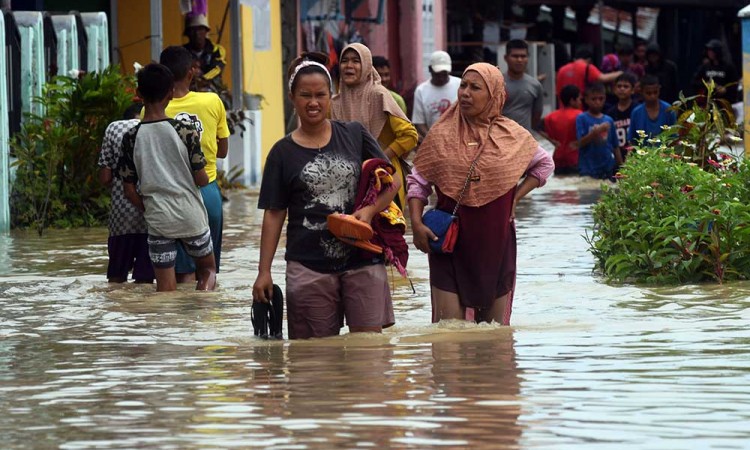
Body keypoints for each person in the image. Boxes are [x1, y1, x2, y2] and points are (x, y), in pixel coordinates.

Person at [252, 53, 399, 339]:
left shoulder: (354, 134)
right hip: (308, 265)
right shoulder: (282, 153)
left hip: (363, 259)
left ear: (331, 97)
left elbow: (389, 183)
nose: (313, 102)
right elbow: (274, 214)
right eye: (305, 95)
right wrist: (263, 271)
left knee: (368, 355)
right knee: (313, 360)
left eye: (321, 94)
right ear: (292, 99)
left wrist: (368, 212)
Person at [407, 63, 554, 325]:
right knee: (448, 336)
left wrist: (515, 198)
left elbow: (545, 165)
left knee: (494, 340)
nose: (465, 93)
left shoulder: (513, 136)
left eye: (475, 88)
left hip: (496, 242)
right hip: (449, 242)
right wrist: (416, 224)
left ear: (495, 94)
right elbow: (418, 182)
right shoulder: (441, 134)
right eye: (463, 85)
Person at [118, 63, 216, 292]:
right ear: (171, 93)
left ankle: (165, 324)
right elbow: (202, 179)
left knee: (165, 291)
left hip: (158, 220)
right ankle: (203, 315)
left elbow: (129, 191)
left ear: (138, 94)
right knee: (207, 270)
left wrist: (151, 207)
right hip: (191, 217)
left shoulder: (131, 137)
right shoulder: (185, 132)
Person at [159, 46, 230, 283]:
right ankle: (204, 318)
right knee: (208, 272)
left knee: (181, 276)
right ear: (191, 73)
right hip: (208, 192)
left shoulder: (152, 111)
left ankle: (180, 321)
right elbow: (222, 151)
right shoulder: (212, 101)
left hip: (172, 197)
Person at [331, 43, 417, 210]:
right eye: (344, 61)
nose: (349, 66)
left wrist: (379, 159)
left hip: (385, 180)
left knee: (386, 232)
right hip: (350, 182)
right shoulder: (334, 103)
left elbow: (409, 135)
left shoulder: (379, 95)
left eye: (356, 61)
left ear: (366, 66)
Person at [97, 103, 155, 284]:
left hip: (121, 221)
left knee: (116, 278)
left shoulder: (113, 128)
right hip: (152, 217)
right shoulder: (159, 128)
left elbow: (105, 177)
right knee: (145, 283)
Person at [411, 50, 462, 138]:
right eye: (438, 74)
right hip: (433, 138)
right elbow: (419, 122)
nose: (441, 78)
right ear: (430, 69)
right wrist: (432, 138)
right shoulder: (421, 91)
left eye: (444, 74)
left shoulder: (460, 85)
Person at [576, 83, 621, 179]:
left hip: (607, 168)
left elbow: (615, 146)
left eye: (601, 99)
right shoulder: (581, 118)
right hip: (587, 169)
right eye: (594, 99)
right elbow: (579, 143)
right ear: (586, 100)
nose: (597, 102)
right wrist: (595, 132)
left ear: (605, 99)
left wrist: (622, 167)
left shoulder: (609, 120)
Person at [502, 39, 544, 132]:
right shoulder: (497, 83)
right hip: (500, 139)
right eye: (515, 56)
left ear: (528, 58)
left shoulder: (535, 85)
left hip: (524, 140)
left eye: (523, 56)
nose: (519, 60)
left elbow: (536, 115)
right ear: (506, 58)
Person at [541, 84, 583, 175]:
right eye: (579, 99)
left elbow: (536, 127)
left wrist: (552, 141)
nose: (581, 102)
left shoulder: (550, 117)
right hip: (574, 158)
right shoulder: (580, 116)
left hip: (557, 159)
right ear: (572, 100)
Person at [556, 46, 622, 102]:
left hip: (562, 109)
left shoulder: (562, 69)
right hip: (580, 109)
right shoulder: (587, 68)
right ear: (589, 60)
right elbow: (603, 78)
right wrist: (621, 73)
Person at [183, 14, 227, 92]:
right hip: (188, 90)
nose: (197, 34)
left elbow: (217, 69)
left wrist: (202, 77)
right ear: (188, 34)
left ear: (206, 31)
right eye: (193, 30)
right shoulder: (181, 52)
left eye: (200, 29)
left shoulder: (217, 50)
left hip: (212, 88)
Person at [627, 75, 677, 143]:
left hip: (666, 152)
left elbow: (674, 137)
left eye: (655, 92)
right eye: (648, 93)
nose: (652, 96)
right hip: (643, 152)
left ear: (659, 89)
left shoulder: (669, 109)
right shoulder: (636, 113)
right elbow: (632, 140)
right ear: (641, 91)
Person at [692, 39, 739, 104]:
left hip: (724, 102)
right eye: (708, 50)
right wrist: (706, 84)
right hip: (707, 102)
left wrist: (725, 89)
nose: (709, 52)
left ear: (717, 51)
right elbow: (694, 81)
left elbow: (735, 83)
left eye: (712, 50)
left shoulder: (728, 67)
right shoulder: (705, 66)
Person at [606, 73, 639, 150]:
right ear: (614, 89)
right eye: (619, 86)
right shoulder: (610, 113)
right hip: (618, 154)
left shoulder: (638, 110)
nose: (622, 89)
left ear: (633, 90)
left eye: (626, 86)